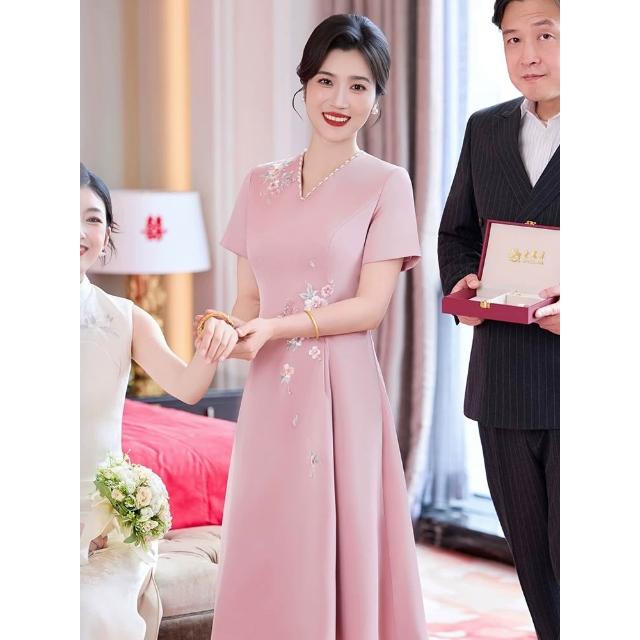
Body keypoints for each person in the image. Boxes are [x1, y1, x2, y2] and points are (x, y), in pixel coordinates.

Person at [196, 14, 429, 640]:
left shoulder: (387, 183)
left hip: (343, 391)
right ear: (304, 84)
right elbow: (248, 299)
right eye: (326, 80)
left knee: (335, 533)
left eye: (358, 85)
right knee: (270, 531)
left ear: (378, 99)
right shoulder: (259, 183)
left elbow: (371, 307)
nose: (339, 99)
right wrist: (225, 328)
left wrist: (275, 328)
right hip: (271, 391)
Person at [437, 1, 560, 638]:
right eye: (513, 39)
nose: (528, 55)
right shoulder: (484, 130)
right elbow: (456, 233)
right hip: (503, 386)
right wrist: (463, 279)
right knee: (535, 568)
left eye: (546, 34)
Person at [80, 163, 238, 640]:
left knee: (92, 611)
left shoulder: (125, 318)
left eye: (92, 219)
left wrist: (214, 338)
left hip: (102, 526)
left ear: (108, 232)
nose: (79, 232)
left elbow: (188, 387)